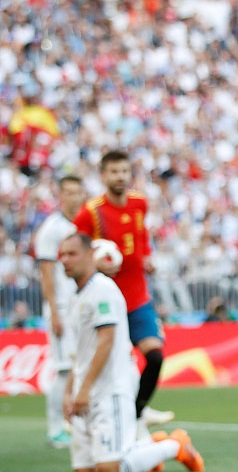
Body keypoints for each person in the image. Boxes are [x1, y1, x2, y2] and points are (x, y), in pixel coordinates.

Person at [58, 233, 203, 472]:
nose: (65, 260)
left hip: (109, 390)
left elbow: (106, 341)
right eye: (62, 255)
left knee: (109, 470)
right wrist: (69, 392)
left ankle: (175, 445)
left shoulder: (102, 290)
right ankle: (147, 448)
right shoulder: (75, 296)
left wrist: (84, 389)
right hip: (85, 388)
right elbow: (79, 353)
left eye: (72, 254)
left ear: (91, 255)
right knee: (84, 471)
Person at [74, 150, 174, 435]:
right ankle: (92, 420)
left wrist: (147, 257)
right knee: (113, 366)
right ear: (103, 176)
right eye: (114, 172)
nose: (120, 177)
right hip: (107, 301)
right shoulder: (91, 212)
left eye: (124, 171)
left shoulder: (139, 203)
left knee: (155, 356)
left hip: (138, 297)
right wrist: (95, 266)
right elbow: (74, 252)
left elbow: (141, 237)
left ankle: (138, 412)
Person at [33, 175, 86, 448]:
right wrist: (53, 311)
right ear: (61, 195)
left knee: (80, 366)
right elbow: (46, 273)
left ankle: (76, 424)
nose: (74, 197)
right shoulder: (51, 229)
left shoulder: (83, 225)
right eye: (69, 192)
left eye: (78, 192)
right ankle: (55, 429)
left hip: (82, 306)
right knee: (64, 368)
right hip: (62, 308)